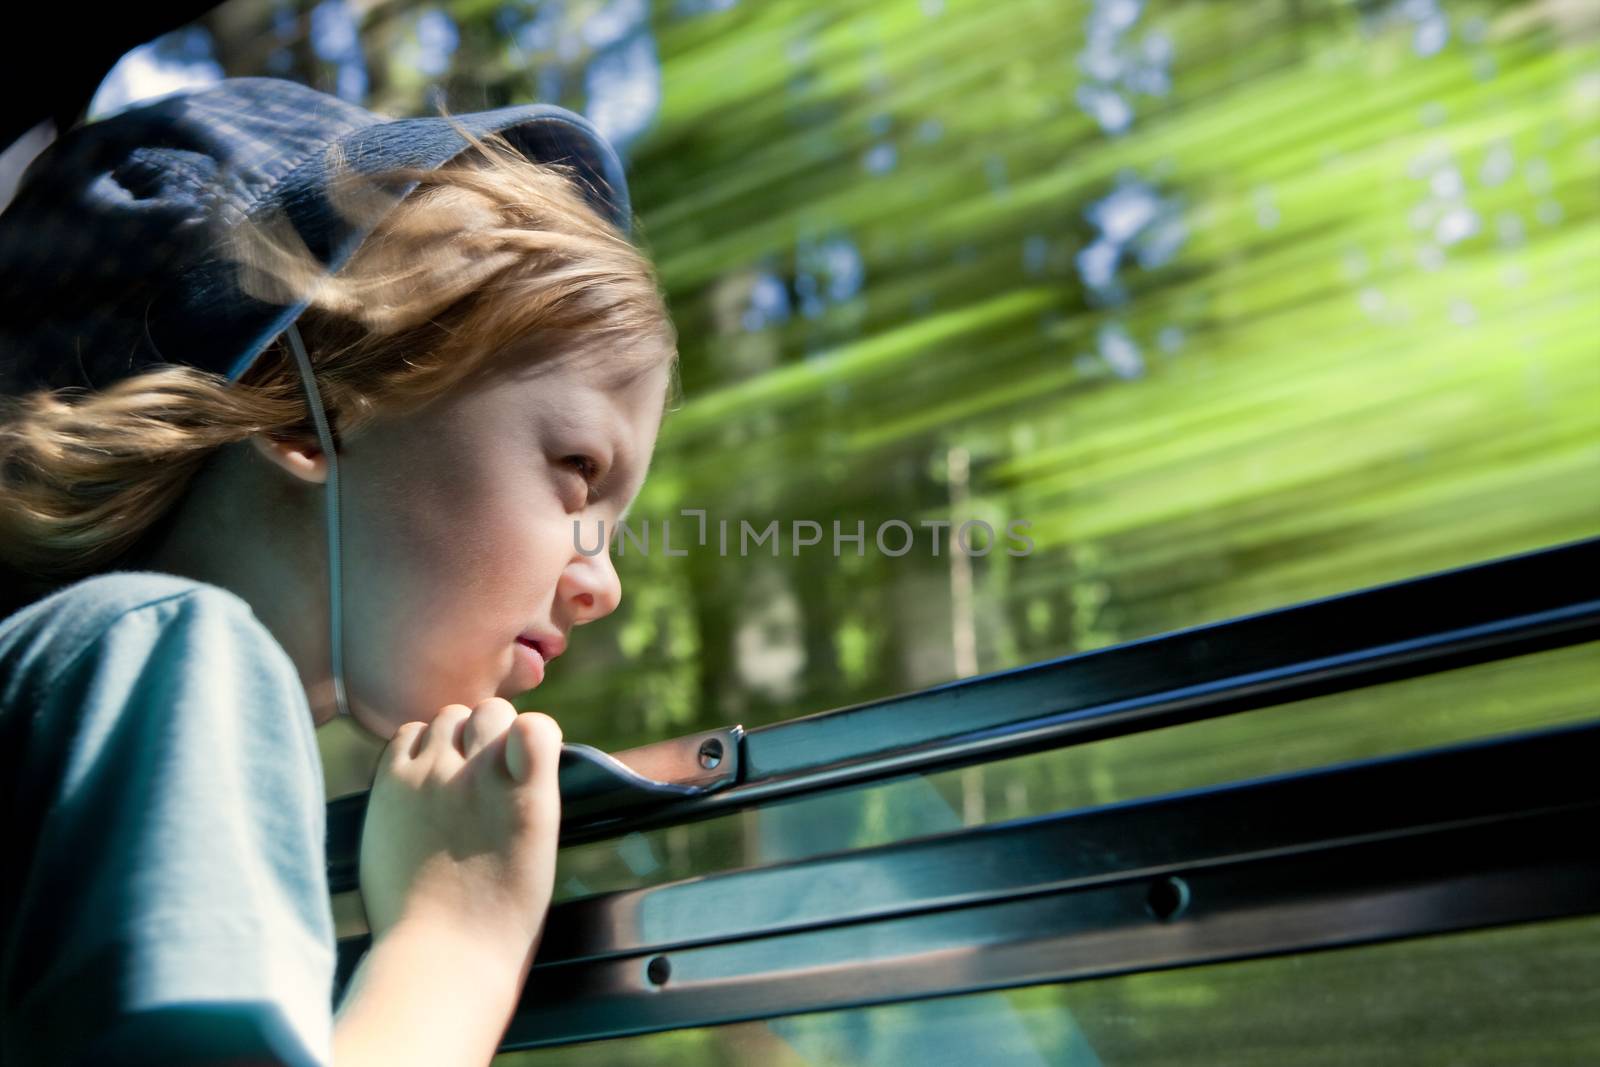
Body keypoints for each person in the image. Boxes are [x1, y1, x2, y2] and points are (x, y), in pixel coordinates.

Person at [0, 77, 678, 1066]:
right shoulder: (168, 651)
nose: (602, 584)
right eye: (577, 474)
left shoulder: (76, 680)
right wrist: (454, 943)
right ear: (300, 403)